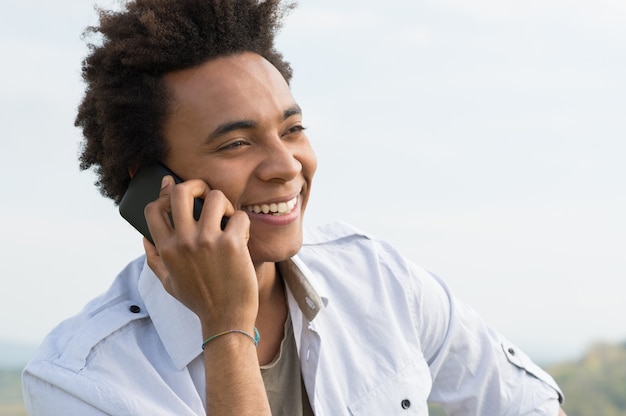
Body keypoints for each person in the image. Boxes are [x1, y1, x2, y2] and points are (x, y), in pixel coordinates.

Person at [22, 1, 567, 415]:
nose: (287, 165)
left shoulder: (377, 277)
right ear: (152, 189)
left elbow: (530, 402)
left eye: (293, 129)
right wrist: (227, 328)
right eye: (237, 143)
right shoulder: (81, 379)